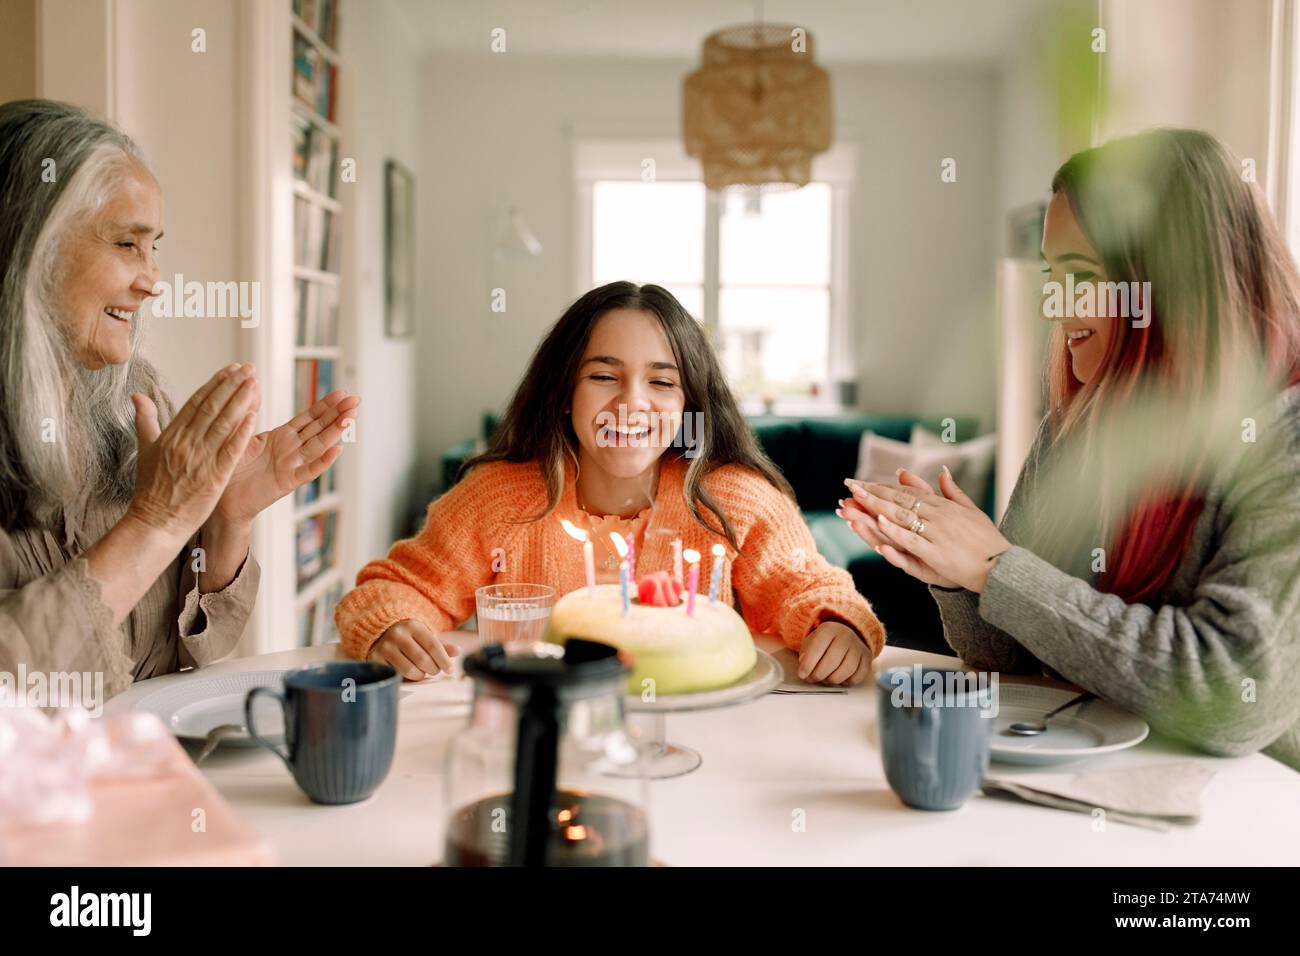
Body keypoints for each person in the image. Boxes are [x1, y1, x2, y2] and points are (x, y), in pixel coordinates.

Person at [839, 129, 1300, 770]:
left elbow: (1236, 694)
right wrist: (956, 574)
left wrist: (996, 568)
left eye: (1081, 275)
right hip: (1087, 774)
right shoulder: (1077, 421)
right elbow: (1010, 654)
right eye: (1052, 278)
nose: (1055, 308)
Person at [337, 281, 884, 686]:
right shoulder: (498, 499)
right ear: (563, 393)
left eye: (661, 382)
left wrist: (838, 625)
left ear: (689, 403)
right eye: (603, 376)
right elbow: (394, 590)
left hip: (698, 742)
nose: (632, 403)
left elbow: (811, 588)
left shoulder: (731, 499)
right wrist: (390, 625)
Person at [0, 100, 359, 697]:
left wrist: (225, 519)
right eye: (127, 244)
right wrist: (157, 522)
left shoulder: (137, 403)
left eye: (154, 247)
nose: (153, 281)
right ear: (31, 244)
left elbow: (194, 650)